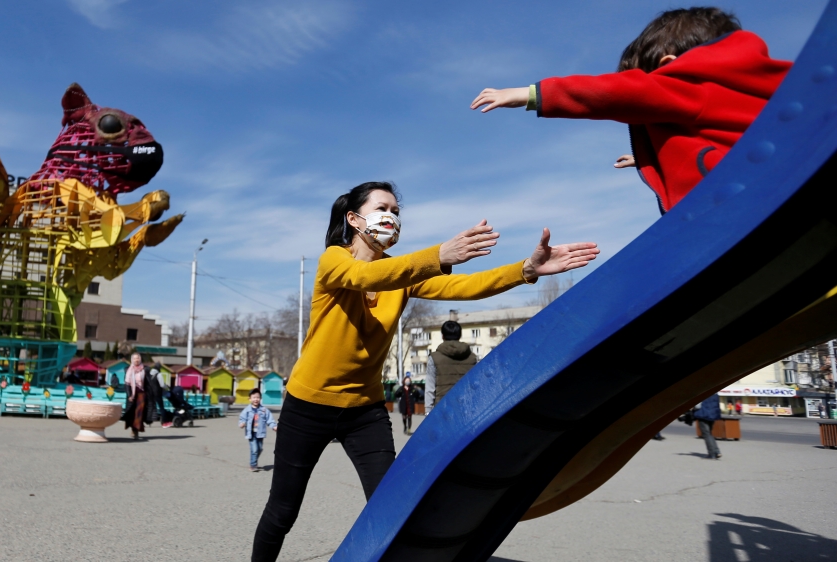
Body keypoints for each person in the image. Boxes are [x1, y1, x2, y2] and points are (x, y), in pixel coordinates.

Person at [251, 181, 599, 561]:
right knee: (283, 511)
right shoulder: (333, 260)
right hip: (308, 406)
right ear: (353, 219)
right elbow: (367, 278)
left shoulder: (399, 276)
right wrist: (439, 253)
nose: (392, 217)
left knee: (390, 510)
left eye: (397, 212)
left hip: (364, 412)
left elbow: (465, 286)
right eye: (383, 207)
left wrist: (526, 270)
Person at [470, 7, 792, 214]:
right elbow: (721, 136)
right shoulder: (752, 87)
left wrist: (532, 94)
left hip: (726, 211)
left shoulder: (687, 82)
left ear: (670, 65)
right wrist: (651, 155)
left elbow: (615, 93)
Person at [426, 320, 477, 409]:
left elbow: (430, 389)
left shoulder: (434, 358)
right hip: (467, 407)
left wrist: (428, 411)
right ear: (460, 335)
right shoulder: (472, 358)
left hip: (442, 409)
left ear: (443, 336)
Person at [238, 388, 278, 472]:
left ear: (260, 398)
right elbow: (242, 418)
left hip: (260, 433)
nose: (256, 399)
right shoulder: (247, 410)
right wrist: (242, 424)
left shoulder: (264, 410)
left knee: (259, 449)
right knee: (255, 449)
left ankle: (254, 460)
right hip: (251, 434)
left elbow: (269, 420)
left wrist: (274, 426)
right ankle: (253, 465)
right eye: (254, 397)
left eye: (258, 397)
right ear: (250, 399)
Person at [121, 353, 148, 440]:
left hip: (141, 394)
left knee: (139, 413)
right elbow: (127, 383)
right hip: (132, 394)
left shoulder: (145, 369)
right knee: (131, 412)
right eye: (135, 359)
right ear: (132, 360)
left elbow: (148, 383)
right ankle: (132, 428)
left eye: (138, 359)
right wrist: (129, 395)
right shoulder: (128, 370)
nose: (137, 360)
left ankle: (136, 430)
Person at [693, 394, 722, 460]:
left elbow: (697, 406)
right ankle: (717, 451)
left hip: (703, 414)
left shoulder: (702, 393)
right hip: (713, 415)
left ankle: (711, 454)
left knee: (706, 434)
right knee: (710, 433)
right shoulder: (715, 394)